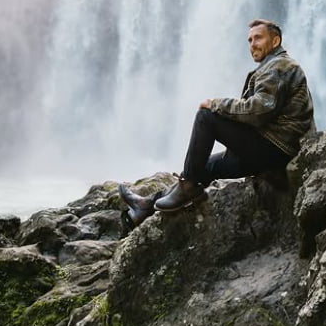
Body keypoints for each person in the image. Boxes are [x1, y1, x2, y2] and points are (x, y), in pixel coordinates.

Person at [119, 19, 315, 222]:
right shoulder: (274, 66)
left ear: (275, 41)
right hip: (270, 149)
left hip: (276, 149)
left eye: (258, 38)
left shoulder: (280, 65)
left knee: (206, 117)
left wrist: (216, 104)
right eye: (249, 40)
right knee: (200, 167)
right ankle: (146, 206)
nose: (252, 44)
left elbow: (258, 110)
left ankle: (188, 187)